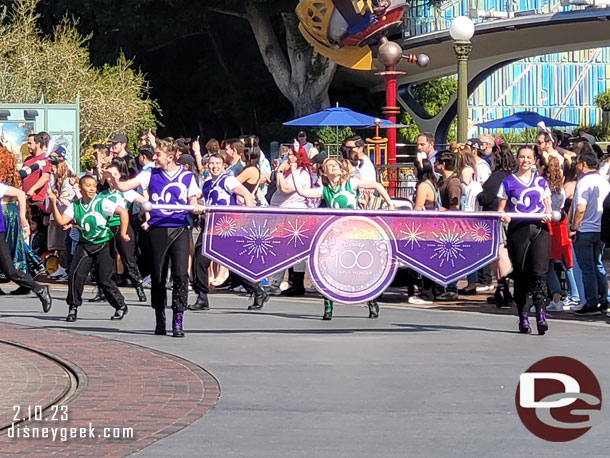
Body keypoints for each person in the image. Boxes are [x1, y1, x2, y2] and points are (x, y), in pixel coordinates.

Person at [111, 139, 203, 337]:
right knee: (158, 275)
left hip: (179, 228)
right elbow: (126, 186)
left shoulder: (186, 176)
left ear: (170, 157)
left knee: (180, 274)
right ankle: (159, 317)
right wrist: (114, 181)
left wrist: (195, 206)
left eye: (158, 154)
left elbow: (193, 198)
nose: (154, 158)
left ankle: (178, 319)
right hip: (158, 229)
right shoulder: (150, 173)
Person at [292, 157, 394, 320]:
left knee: (360, 269)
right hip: (335, 234)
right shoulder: (324, 190)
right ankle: (328, 306)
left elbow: (376, 185)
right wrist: (292, 169)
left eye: (334, 165)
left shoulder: (351, 183)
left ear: (340, 170)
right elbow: (302, 192)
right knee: (327, 269)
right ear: (324, 172)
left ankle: (371, 301)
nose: (332, 168)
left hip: (355, 232)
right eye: (328, 166)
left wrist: (390, 204)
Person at [189, 152, 268, 312]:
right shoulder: (207, 184)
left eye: (218, 163)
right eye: (211, 163)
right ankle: (202, 297)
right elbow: (201, 199)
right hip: (209, 226)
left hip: (225, 228)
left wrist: (247, 217)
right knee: (200, 260)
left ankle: (257, 290)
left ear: (223, 165)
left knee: (232, 263)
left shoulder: (228, 180)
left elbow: (246, 195)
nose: (214, 166)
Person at [48, 175, 129, 322]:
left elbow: (123, 212)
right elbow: (61, 221)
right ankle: (73, 307)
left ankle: (120, 305)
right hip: (85, 244)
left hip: (104, 243)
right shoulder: (75, 206)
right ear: (80, 187)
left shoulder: (102, 202)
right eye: (88, 185)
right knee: (75, 274)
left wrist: (123, 233)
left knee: (103, 279)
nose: (92, 189)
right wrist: (53, 202)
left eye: (94, 186)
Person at [498, 146, 552, 335]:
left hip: (539, 230)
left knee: (539, 272)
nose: (525, 160)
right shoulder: (508, 182)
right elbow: (501, 209)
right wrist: (504, 216)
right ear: (517, 159)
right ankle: (522, 314)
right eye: (522, 157)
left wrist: (547, 215)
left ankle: (541, 312)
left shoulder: (541, 182)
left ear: (534, 159)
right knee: (521, 273)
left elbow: (547, 207)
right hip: (518, 230)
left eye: (529, 157)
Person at [568, 149, 610, 315]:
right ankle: (604, 298)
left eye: (578, 163)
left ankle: (591, 301)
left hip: (585, 229)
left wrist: (573, 228)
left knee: (587, 267)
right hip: (600, 229)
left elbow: (580, 208)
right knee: (597, 264)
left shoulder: (584, 182)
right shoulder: (604, 182)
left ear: (583, 164)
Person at [100, 158, 148, 302]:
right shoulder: (102, 194)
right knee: (105, 259)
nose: (111, 178)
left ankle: (138, 286)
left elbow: (144, 201)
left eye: (114, 175)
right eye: (109, 175)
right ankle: (103, 291)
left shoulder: (125, 192)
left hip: (123, 226)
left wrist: (146, 213)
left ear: (119, 175)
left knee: (128, 258)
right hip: (107, 228)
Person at [268, 147, 313, 296]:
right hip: (282, 213)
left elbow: (285, 189)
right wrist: (280, 172)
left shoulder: (302, 173)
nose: (288, 158)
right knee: (281, 248)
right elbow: (279, 186)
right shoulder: (291, 172)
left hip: (294, 214)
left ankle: (296, 283)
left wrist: (280, 171)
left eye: (292, 155)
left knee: (293, 249)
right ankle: (278, 281)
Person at [478, 144, 516, 308]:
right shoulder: (512, 175)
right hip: (509, 218)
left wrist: (479, 191)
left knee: (500, 254)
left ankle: (503, 287)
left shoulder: (497, 176)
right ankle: (502, 288)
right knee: (502, 253)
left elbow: (485, 197)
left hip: (497, 219)